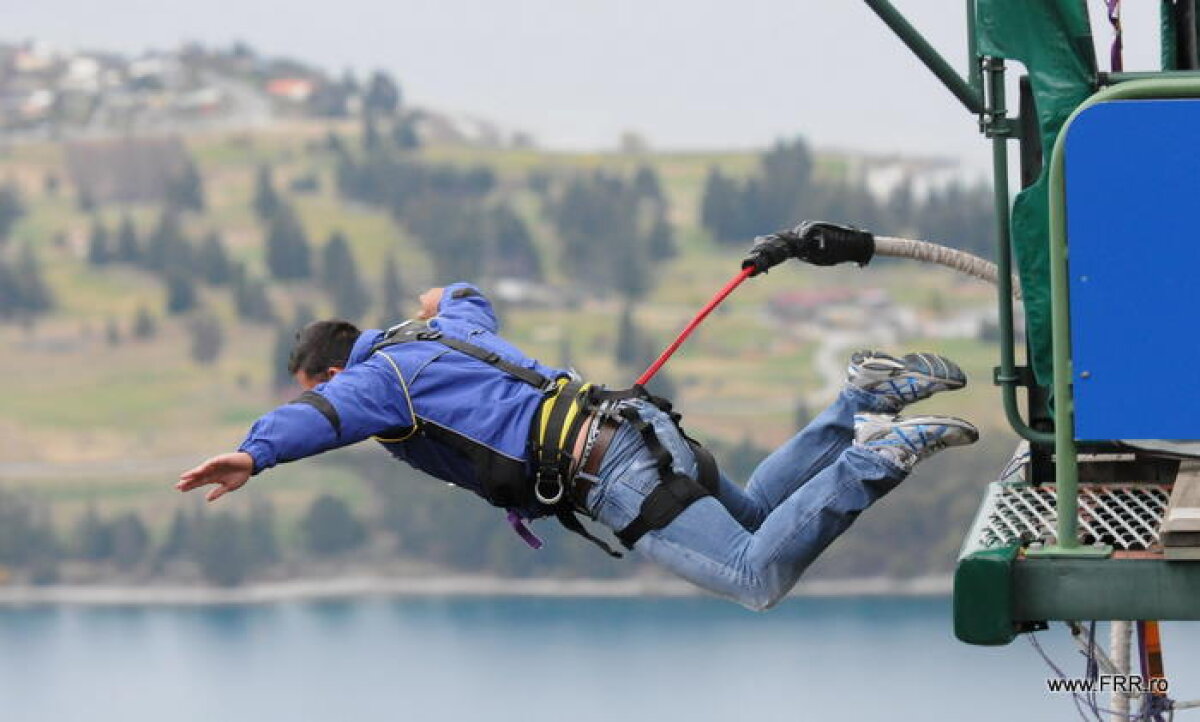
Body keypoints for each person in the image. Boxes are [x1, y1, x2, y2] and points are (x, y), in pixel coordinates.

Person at [178, 282, 978, 610]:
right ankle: (861, 399)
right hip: (639, 429)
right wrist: (438, 294)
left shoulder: (373, 381)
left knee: (754, 575)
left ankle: (877, 455)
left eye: (314, 385)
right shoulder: (445, 329)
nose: (319, 395)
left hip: (612, 475)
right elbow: (465, 294)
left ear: (329, 371)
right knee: (762, 517)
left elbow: (317, 420)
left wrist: (253, 453)